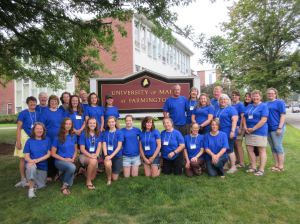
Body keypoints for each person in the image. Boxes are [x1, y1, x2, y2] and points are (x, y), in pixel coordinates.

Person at [14, 96, 39, 187]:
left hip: (34, 138)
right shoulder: (23, 113)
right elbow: (18, 128)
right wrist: (18, 141)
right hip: (24, 138)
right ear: (27, 103)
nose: (32, 104)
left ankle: (31, 179)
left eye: (34, 102)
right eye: (30, 102)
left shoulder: (37, 113)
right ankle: (23, 179)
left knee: (32, 158)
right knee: (22, 159)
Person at [243, 90, 269, 176]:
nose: (255, 98)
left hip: (260, 131)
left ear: (260, 97)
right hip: (248, 131)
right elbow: (244, 117)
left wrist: (253, 128)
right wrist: (245, 127)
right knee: (249, 149)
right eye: (253, 96)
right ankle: (253, 167)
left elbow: (264, 120)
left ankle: (261, 169)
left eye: (257, 96)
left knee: (261, 150)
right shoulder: (249, 106)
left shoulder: (264, 106)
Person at [40, 95, 65, 180]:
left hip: (59, 137)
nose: (54, 103)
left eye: (55, 101)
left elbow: (65, 124)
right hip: (49, 137)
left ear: (58, 102)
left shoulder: (61, 111)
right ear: (49, 103)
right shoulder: (45, 112)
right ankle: (50, 174)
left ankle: (59, 173)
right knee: (50, 155)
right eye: (52, 101)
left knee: (59, 154)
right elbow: (41, 125)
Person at [23, 122, 51, 198]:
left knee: (42, 186)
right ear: (34, 130)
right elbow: (26, 156)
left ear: (43, 130)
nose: (39, 130)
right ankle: (31, 190)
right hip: (32, 164)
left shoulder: (47, 140)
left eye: (41, 129)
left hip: (42, 167)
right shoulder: (29, 141)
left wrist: (37, 160)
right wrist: (31, 161)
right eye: (37, 128)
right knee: (31, 167)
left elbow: (49, 154)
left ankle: (30, 182)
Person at [51, 118, 77, 195]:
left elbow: (76, 150)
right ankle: (64, 186)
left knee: (71, 176)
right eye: (66, 124)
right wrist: (65, 159)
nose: (68, 125)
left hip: (70, 160)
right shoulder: (57, 137)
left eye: (70, 124)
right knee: (72, 168)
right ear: (63, 125)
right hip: (60, 161)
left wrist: (73, 158)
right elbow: (53, 153)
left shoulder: (73, 136)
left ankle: (61, 175)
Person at [214, 94, 238, 173]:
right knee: (223, 149)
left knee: (229, 149)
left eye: (225, 99)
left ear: (228, 100)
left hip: (228, 131)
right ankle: (226, 164)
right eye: (221, 99)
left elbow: (234, 120)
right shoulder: (217, 109)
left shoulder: (231, 109)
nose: (223, 101)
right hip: (220, 132)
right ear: (219, 101)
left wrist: (232, 131)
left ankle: (234, 167)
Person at [79, 117, 102, 190]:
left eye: (94, 123)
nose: (92, 124)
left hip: (94, 155)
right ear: (87, 124)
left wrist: (97, 154)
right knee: (93, 161)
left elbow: (99, 146)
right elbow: (82, 149)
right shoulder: (83, 134)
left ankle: (82, 171)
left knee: (93, 177)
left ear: (96, 124)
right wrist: (91, 156)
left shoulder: (98, 133)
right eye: (90, 123)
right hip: (84, 155)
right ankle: (88, 182)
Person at [266, 88, 286, 172]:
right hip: (268, 129)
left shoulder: (279, 102)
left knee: (278, 146)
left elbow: (283, 115)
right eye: (269, 93)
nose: (270, 94)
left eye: (272, 93)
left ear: (275, 94)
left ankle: (281, 166)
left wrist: (280, 127)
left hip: (277, 128)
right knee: (273, 147)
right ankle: (276, 165)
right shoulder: (265, 103)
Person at [102, 116, 124, 185]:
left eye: (112, 122)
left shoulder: (119, 132)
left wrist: (111, 156)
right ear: (107, 123)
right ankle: (109, 179)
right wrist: (106, 155)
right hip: (107, 155)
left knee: (115, 178)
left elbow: (119, 146)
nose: (111, 123)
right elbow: (104, 145)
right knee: (108, 163)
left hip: (117, 156)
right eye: (109, 122)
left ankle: (115, 170)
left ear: (115, 122)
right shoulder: (105, 133)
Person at [231, 90, 246, 168]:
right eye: (233, 95)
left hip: (238, 127)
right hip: (233, 127)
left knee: (238, 145)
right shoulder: (232, 105)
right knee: (234, 145)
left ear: (239, 96)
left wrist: (240, 127)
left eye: (235, 95)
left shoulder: (240, 105)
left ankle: (242, 162)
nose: (234, 97)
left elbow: (243, 117)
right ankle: (237, 160)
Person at [244, 92, 259, 157]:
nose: (247, 98)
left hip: (255, 128)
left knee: (256, 146)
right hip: (247, 127)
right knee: (249, 146)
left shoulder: (254, 106)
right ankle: (252, 161)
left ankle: (257, 159)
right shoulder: (246, 106)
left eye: (249, 97)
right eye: (246, 96)